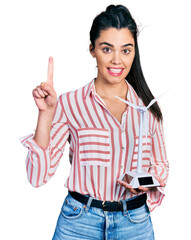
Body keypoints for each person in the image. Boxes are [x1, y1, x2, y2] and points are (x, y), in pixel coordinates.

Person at [20, 4, 169, 240]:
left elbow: (161, 166)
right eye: (107, 49)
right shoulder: (70, 103)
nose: (117, 60)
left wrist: (145, 183)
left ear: (134, 52)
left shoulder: (148, 109)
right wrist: (46, 114)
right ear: (92, 50)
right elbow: (37, 177)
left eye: (126, 50)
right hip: (79, 223)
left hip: (134, 223)